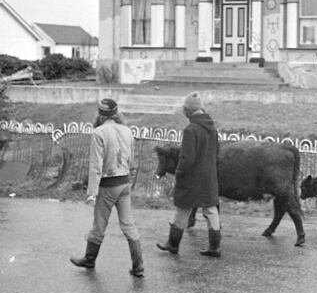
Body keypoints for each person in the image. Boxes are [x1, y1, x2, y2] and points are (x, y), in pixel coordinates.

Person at [70, 98, 144, 277]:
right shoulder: (127, 131)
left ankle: (89, 259)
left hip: (108, 185)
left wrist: (92, 193)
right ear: (116, 113)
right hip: (124, 183)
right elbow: (132, 160)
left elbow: (96, 166)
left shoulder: (98, 133)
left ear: (100, 114)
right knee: (128, 224)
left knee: (99, 225)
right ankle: (138, 265)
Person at [157, 91, 221, 257]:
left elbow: (187, 158)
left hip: (193, 177)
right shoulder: (212, 128)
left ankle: (173, 243)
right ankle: (215, 247)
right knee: (211, 209)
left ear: (189, 111)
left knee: (183, 208)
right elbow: (216, 152)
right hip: (208, 176)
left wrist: (179, 173)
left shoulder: (190, 130)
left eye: (185, 109)